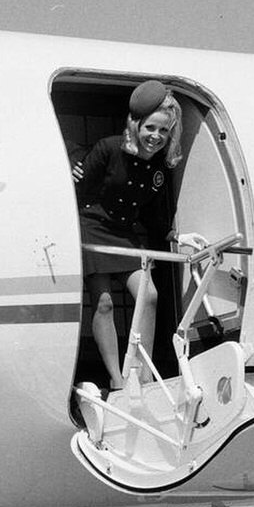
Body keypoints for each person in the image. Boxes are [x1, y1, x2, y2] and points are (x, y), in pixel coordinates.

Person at [74, 79, 182, 390]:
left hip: (127, 233)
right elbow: (79, 189)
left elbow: (156, 214)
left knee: (148, 296)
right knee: (104, 302)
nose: (156, 136)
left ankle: (142, 373)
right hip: (92, 227)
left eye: (163, 131)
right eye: (151, 128)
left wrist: (175, 236)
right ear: (136, 125)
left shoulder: (161, 166)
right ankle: (116, 377)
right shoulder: (108, 148)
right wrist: (72, 165)